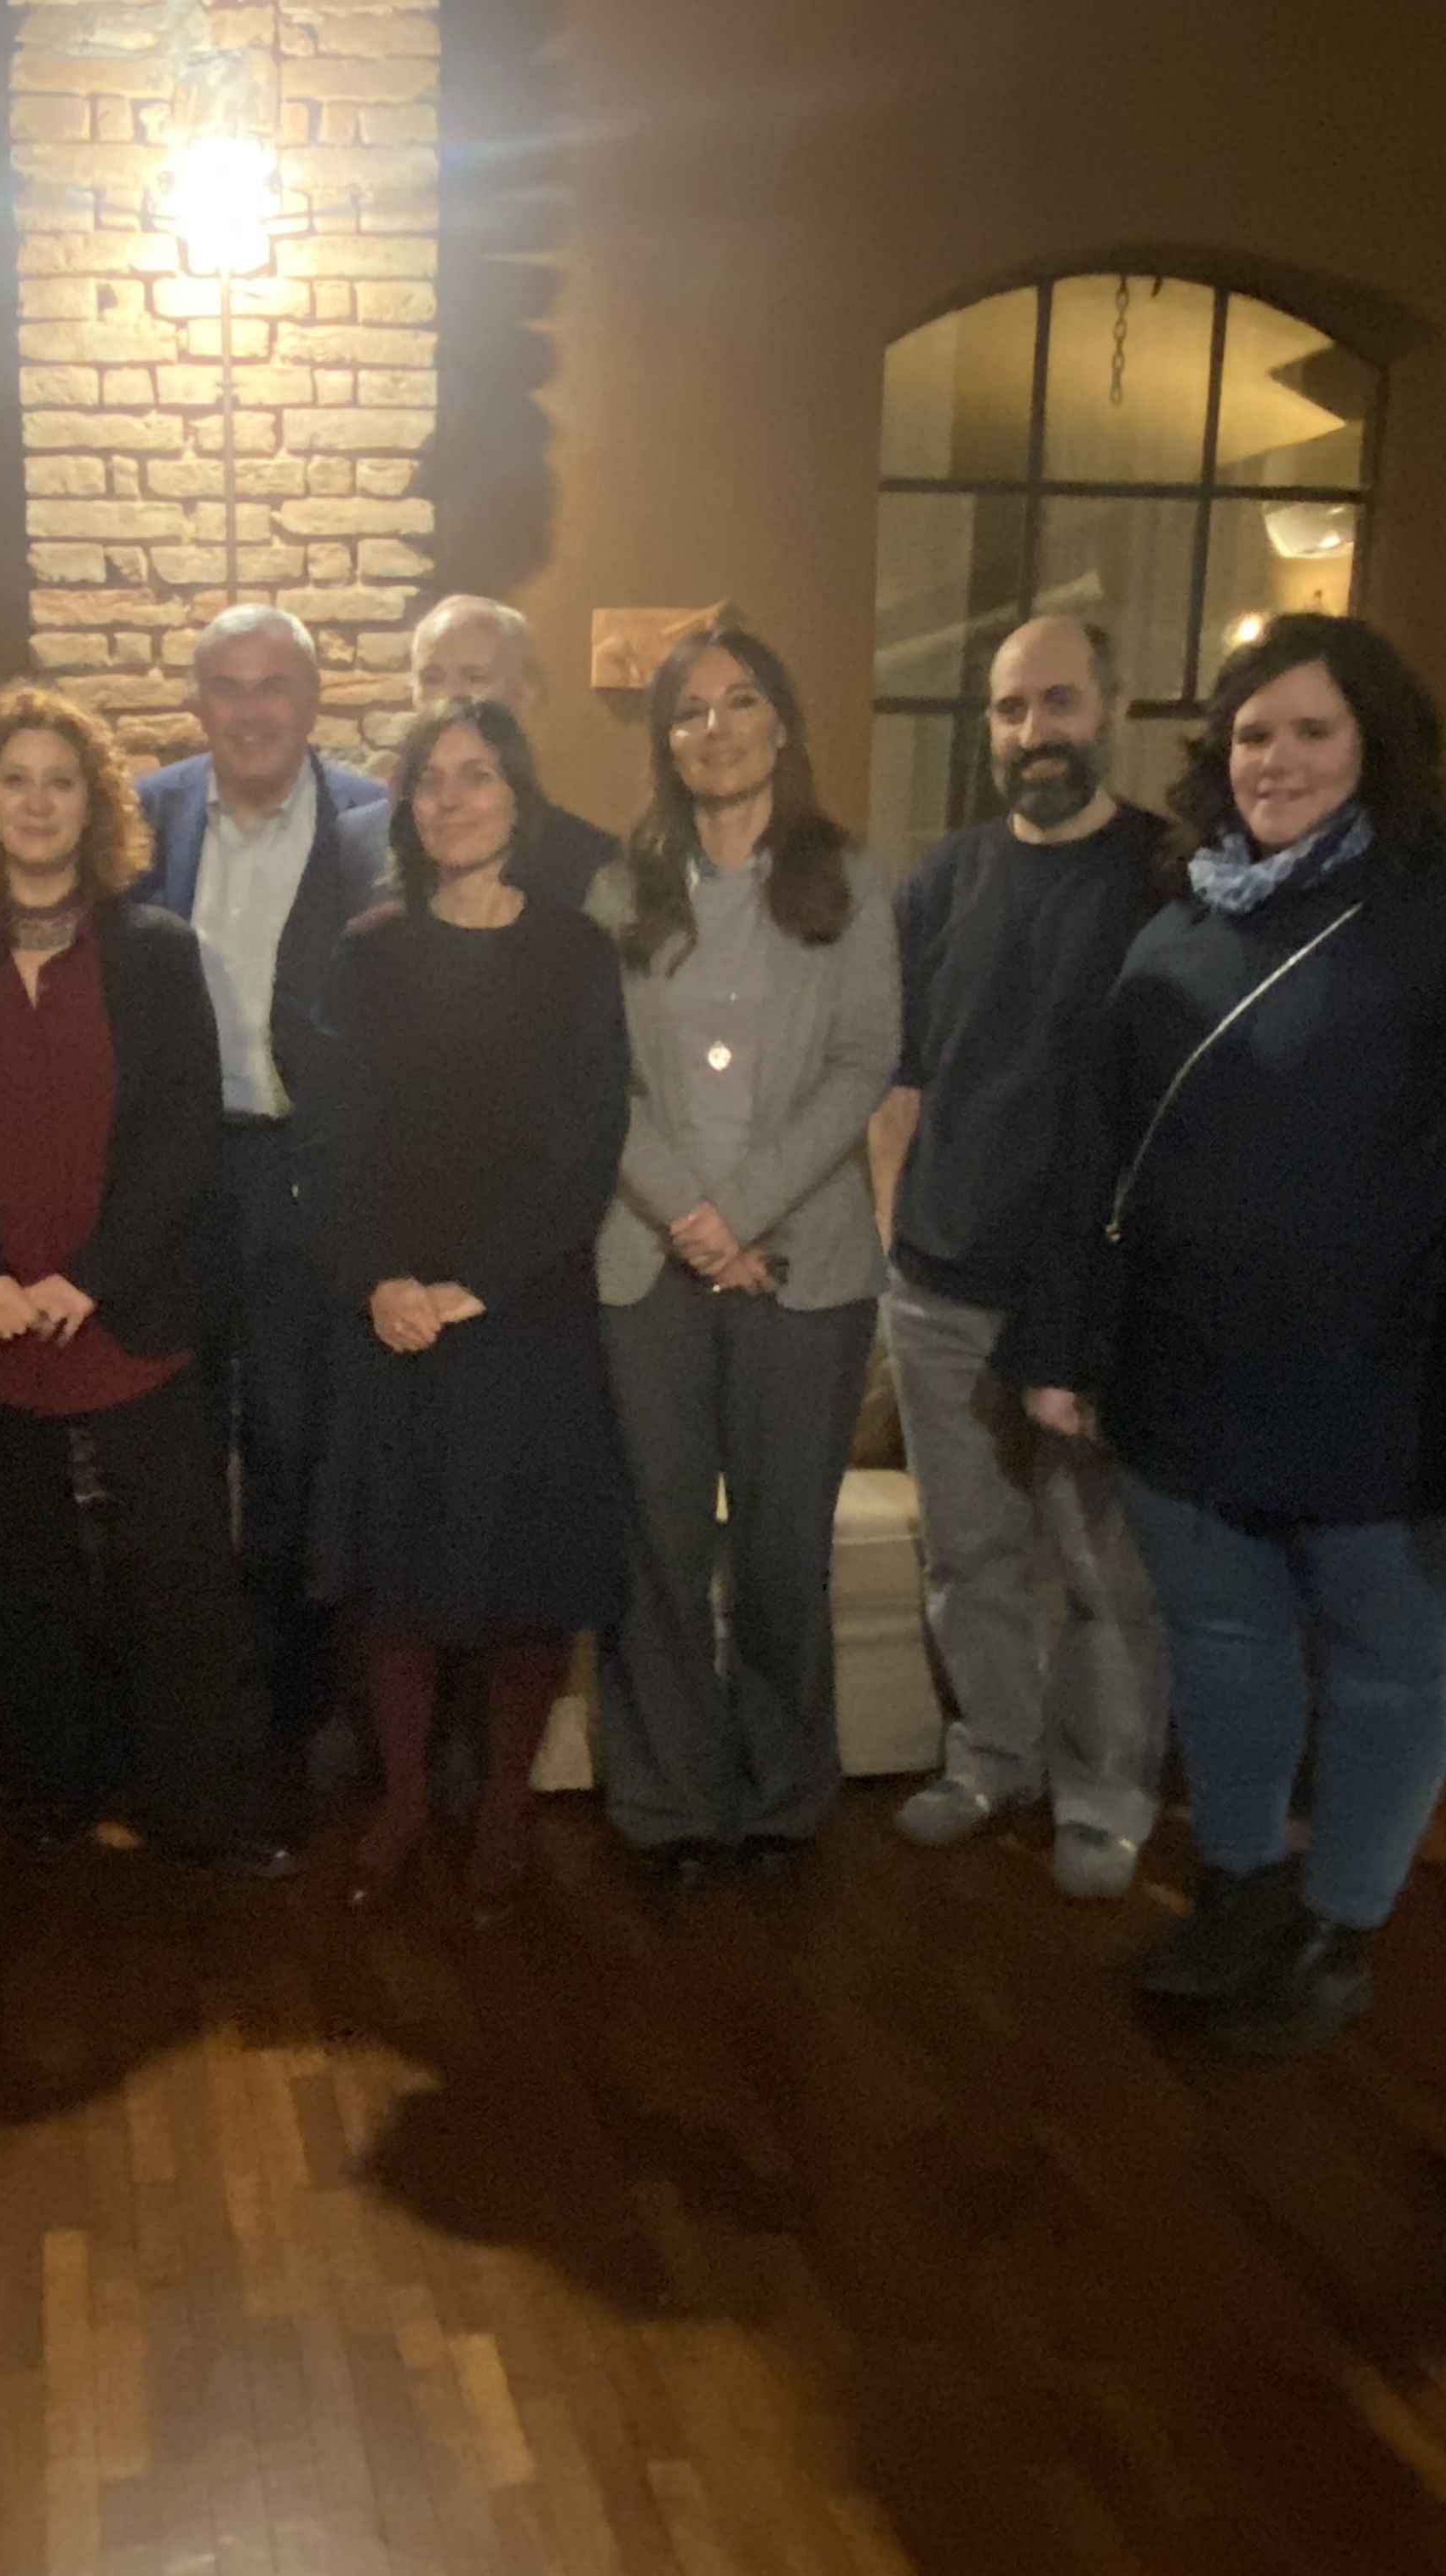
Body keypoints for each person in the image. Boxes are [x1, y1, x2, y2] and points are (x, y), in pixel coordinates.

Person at [1001, 614, 1446, 2052]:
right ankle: (1242, 1886)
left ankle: (1342, 1921)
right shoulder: (1177, 925)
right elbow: (1094, 1155)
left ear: (1378, 741)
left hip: (1390, 1386)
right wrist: (1060, 1345)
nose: (1278, 759)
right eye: (1252, 733)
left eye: (1311, 730)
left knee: (1384, 1662)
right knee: (1227, 1648)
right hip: (1188, 1377)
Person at [0, 687, 292, 1877]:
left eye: (62, 780)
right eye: (16, 779)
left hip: (130, 1313)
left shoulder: (159, 952)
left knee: (175, 1575)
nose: (38, 802)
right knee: (21, 1566)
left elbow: (182, 1139)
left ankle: (200, 1810)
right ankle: (51, 1792)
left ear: (95, 805)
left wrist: (91, 1278)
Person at [312, 699, 631, 1923]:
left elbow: (584, 1140)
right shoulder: (368, 948)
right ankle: (402, 1801)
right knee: (396, 1575)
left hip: (522, 1306)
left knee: (520, 1576)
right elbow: (332, 1138)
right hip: (389, 1304)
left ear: (518, 797)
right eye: (429, 780)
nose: (451, 798)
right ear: (406, 808)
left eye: (476, 776)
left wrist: (471, 1286)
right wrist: (383, 1281)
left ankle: (502, 1804)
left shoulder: (575, 951)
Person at [872, 615, 1174, 1899]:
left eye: (1057, 704)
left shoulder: (1167, 876)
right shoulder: (943, 881)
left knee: (1108, 1570)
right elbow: (897, 1082)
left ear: (1108, 710)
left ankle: (1105, 1797)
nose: (1032, 733)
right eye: (1009, 710)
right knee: (967, 1556)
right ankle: (991, 1755)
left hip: (1096, 1304)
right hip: (940, 1289)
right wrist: (900, 1234)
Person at [592, 629, 898, 1886]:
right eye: (688, 711)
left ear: (782, 724)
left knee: (782, 1551)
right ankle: (666, 1802)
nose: (714, 727)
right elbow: (595, 1081)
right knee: (658, 1544)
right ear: (664, 741)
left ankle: (778, 1798)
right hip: (647, 1268)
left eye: (740, 702)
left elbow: (862, 1061)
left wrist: (747, 1213)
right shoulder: (623, 889)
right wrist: (691, 1220)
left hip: (804, 1269)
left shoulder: (849, 878)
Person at [135, 607, 389, 1827]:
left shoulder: (379, 823)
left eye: (274, 685)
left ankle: (292, 1700)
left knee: (295, 1439)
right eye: (227, 687)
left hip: (308, 1169)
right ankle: (193, 1693)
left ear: (313, 695)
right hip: (182, 1172)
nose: (250, 711)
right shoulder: (142, 814)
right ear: (198, 703)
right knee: (177, 1439)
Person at [331, 596, 619, 914]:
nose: (451, 697)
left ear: (526, 692)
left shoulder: (590, 863)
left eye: (475, 677)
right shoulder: (354, 843)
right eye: (432, 679)